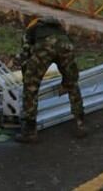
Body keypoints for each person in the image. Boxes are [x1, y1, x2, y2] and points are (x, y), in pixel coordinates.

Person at [15, 14, 86, 143]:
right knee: (72, 84)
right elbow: (68, 44)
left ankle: (30, 132)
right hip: (65, 44)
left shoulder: (31, 29)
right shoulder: (57, 27)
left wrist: (28, 78)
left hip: (44, 46)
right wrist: (66, 81)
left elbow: (25, 53)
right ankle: (80, 123)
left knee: (31, 87)